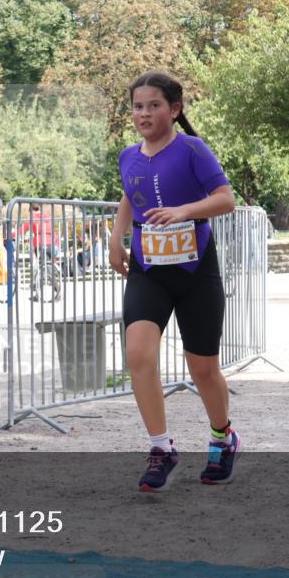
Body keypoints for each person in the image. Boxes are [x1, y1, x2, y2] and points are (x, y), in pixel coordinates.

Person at [108, 71, 238, 493]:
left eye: (154, 105)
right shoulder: (128, 156)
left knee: (202, 368)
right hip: (149, 270)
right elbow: (131, 194)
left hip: (195, 269)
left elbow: (226, 199)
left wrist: (184, 211)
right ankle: (161, 448)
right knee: (139, 354)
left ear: (174, 109)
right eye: (138, 106)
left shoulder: (192, 149)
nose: (144, 113)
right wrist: (116, 238)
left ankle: (223, 436)